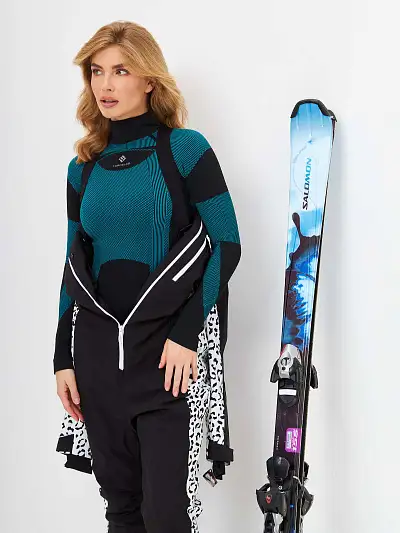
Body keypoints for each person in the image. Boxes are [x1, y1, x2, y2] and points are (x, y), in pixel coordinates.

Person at [53, 20, 241, 533]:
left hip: (166, 362)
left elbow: (226, 244)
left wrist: (187, 334)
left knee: (166, 516)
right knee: (122, 510)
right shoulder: (82, 168)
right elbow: (72, 263)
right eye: (97, 72)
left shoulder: (184, 149)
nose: (106, 84)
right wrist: (62, 357)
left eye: (121, 70)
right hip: (98, 362)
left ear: (150, 79)